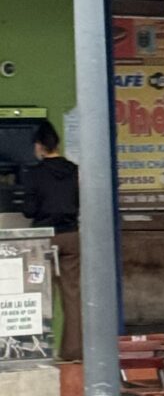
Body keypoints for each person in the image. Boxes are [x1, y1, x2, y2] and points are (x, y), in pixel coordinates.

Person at [22, 120, 81, 362]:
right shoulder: (74, 170)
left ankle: (39, 349)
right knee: (72, 293)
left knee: (39, 293)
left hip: (43, 239)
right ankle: (73, 352)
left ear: (39, 146)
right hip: (71, 236)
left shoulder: (34, 174)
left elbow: (29, 209)